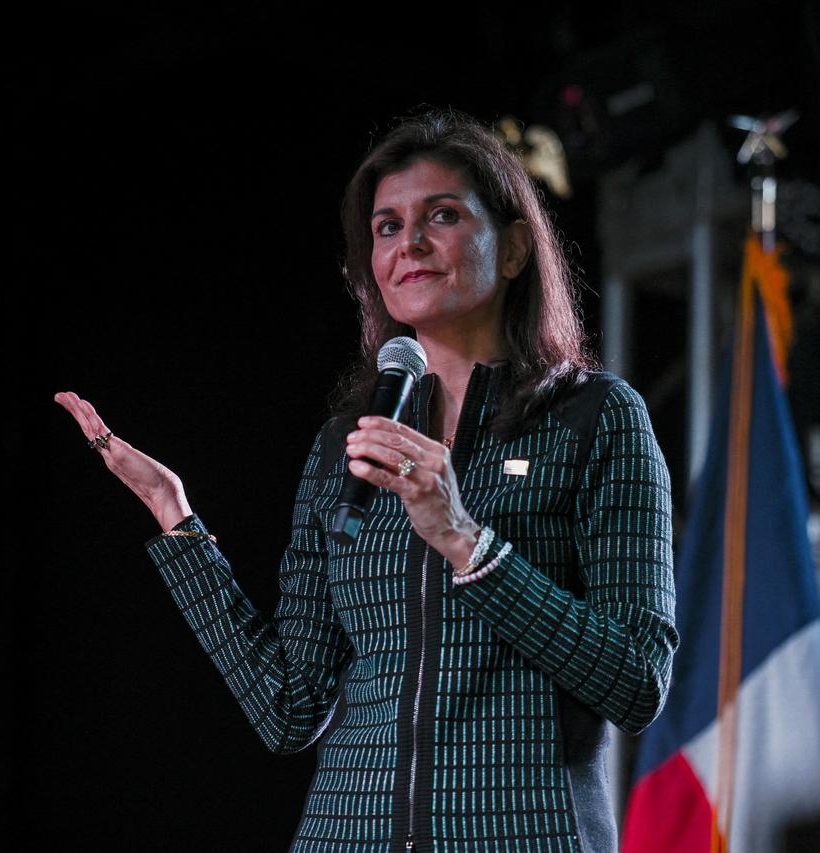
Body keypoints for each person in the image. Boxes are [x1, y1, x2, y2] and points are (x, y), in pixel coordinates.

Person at [54, 109, 677, 852]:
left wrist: (468, 542)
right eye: (387, 226)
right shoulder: (342, 446)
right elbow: (290, 707)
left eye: (441, 215)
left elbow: (637, 681)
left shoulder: (596, 418)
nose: (408, 243)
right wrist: (176, 520)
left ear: (513, 249)